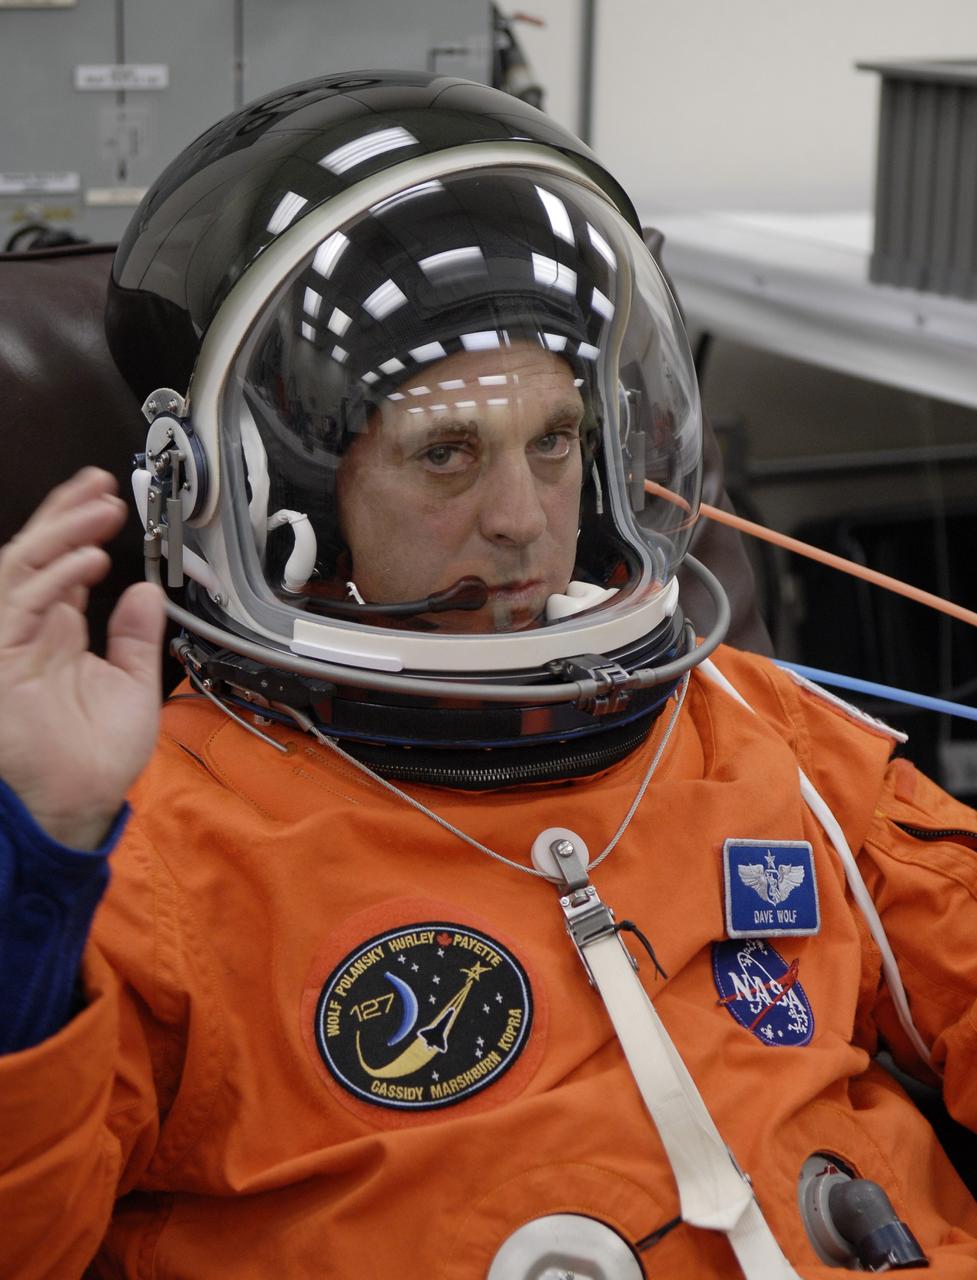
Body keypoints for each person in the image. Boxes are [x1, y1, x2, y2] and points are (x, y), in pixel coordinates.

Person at [1, 70, 977, 1280]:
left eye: (555, 440)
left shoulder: (758, 734)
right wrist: (33, 865)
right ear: (283, 502)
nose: (523, 520)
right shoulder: (162, 845)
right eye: (446, 451)